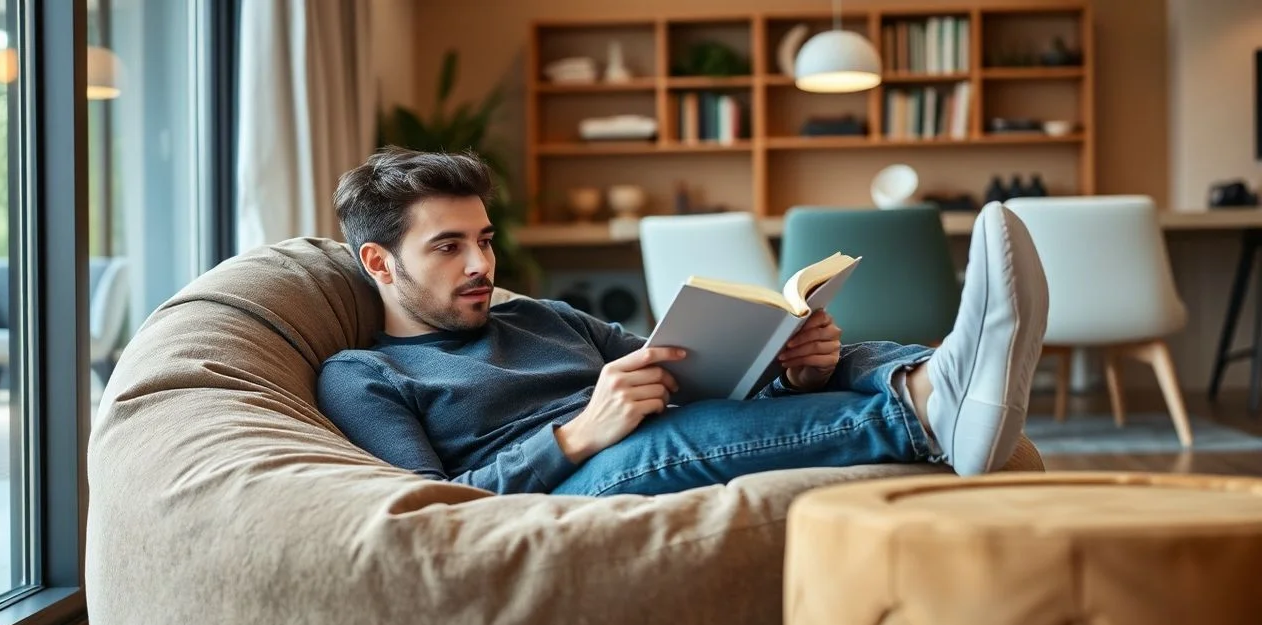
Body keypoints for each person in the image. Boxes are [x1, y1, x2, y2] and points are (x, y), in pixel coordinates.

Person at [316, 147, 1049, 497]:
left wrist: (793, 368)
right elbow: (431, 506)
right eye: (449, 247)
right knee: (659, 435)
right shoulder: (363, 374)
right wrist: (576, 435)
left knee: (809, 345)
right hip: (573, 483)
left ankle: (923, 374)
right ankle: (929, 411)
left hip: (652, 432)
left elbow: (686, 373)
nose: (480, 264)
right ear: (379, 263)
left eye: (484, 239)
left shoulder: (540, 316)